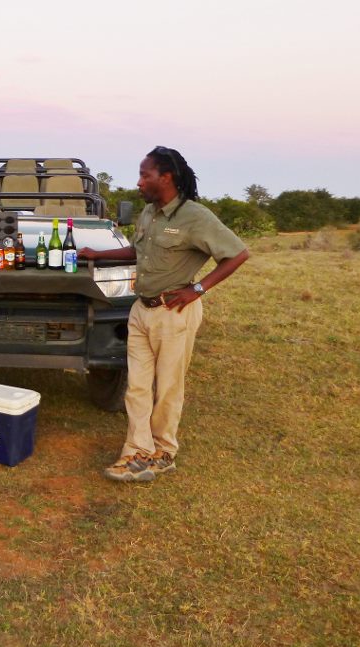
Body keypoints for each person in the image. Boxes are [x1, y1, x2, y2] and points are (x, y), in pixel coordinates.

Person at [79, 146, 250, 482]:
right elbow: (136, 250)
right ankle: (137, 452)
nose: (140, 182)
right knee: (138, 386)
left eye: (145, 174)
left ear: (166, 177)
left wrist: (197, 289)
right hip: (140, 310)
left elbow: (237, 254)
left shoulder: (195, 217)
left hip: (175, 312)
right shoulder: (149, 213)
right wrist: (97, 254)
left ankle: (164, 452)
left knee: (169, 386)